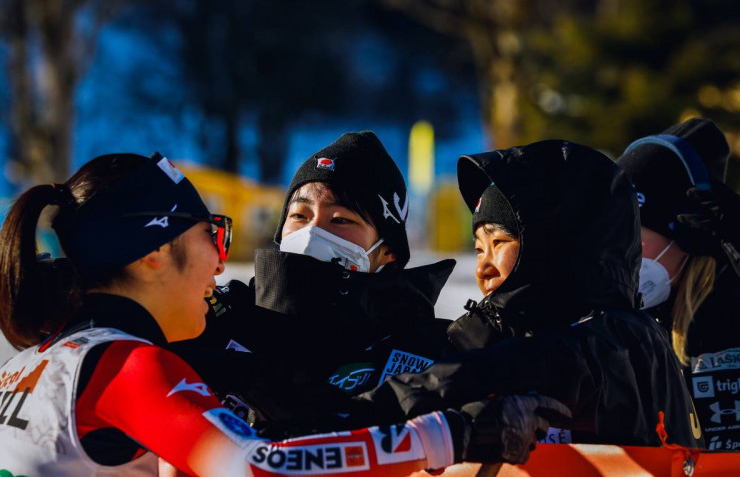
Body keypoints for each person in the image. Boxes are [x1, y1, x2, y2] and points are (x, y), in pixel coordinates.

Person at [0, 151, 569, 475]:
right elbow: (260, 465)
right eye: (212, 237)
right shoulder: (131, 366)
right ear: (152, 253)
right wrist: (450, 433)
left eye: (342, 219)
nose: (221, 267)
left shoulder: (35, 361)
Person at [360, 140, 703, 448]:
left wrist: (367, 411)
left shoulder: (616, 339)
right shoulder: (536, 334)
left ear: (553, 246)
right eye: (479, 249)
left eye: (500, 243)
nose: (484, 267)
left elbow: (523, 367)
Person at [172, 131, 458, 427]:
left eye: (340, 220)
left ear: (388, 253)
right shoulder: (214, 318)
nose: (312, 232)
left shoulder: (425, 354)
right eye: (299, 215)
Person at [617, 118, 740, 451]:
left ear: (688, 234)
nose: (620, 252)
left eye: (634, 235)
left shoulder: (730, 311)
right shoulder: (622, 324)